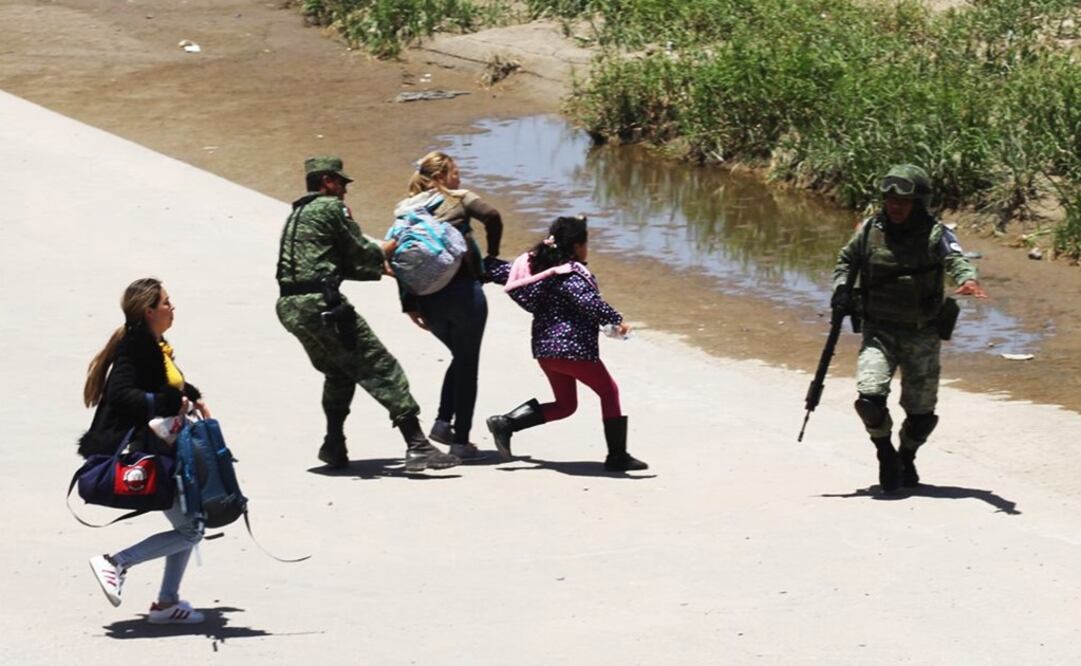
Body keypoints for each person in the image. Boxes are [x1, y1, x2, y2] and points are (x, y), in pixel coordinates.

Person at [276, 155, 459, 471]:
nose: (345, 190)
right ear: (327, 181)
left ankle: (333, 444)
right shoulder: (331, 207)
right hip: (322, 306)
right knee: (382, 367)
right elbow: (361, 250)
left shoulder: (298, 214)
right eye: (341, 183)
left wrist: (380, 269)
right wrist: (403, 238)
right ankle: (417, 446)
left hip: (291, 307)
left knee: (339, 372)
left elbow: (338, 263)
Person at [832, 164, 987, 493]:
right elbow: (846, 260)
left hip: (922, 333)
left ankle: (907, 455)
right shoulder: (869, 230)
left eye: (903, 201)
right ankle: (885, 452)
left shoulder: (936, 233)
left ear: (918, 203)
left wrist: (968, 280)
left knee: (922, 415)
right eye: (890, 200)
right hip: (879, 331)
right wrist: (841, 288)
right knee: (869, 399)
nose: (895, 207)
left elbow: (956, 259)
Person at [81, 278, 210, 624]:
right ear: (149, 311)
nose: (172, 307)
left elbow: (164, 383)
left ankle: (167, 603)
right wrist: (169, 402)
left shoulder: (154, 346)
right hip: (144, 452)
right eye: (166, 302)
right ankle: (116, 563)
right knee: (191, 529)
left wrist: (192, 397)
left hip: (163, 449)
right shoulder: (136, 347)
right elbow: (122, 394)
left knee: (191, 522)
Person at [484, 215, 647, 471]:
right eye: (586, 243)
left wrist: (478, 268)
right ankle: (617, 456)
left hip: (545, 351)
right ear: (576, 246)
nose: (587, 248)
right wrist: (616, 320)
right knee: (609, 392)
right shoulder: (569, 274)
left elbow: (503, 272)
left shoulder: (539, 269)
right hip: (572, 350)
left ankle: (506, 423)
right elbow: (589, 302)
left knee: (565, 405)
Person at [391, 151, 504, 460]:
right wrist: (492, 256)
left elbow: (402, 258)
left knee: (461, 356)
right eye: (455, 172)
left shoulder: (405, 209)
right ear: (441, 176)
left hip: (427, 299)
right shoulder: (459, 198)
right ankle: (461, 441)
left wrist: (409, 304)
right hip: (464, 293)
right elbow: (493, 216)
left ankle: (443, 423)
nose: (460, 178)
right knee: (468, 366)